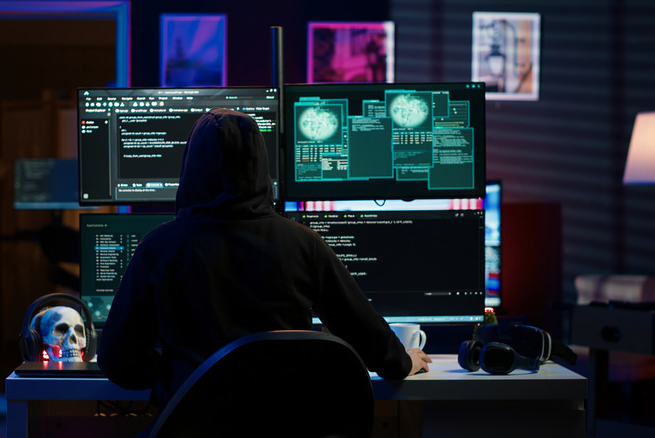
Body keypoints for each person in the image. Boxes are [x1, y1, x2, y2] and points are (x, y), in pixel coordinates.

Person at [97, 108, 431, 412]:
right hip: (288, 425)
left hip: (191, 426)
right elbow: (371, 339)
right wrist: (405, 362)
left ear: (191, 169)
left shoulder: (159, 248)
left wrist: (171, 372)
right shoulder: (304, 245)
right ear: (260, 165)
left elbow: (116, 362)